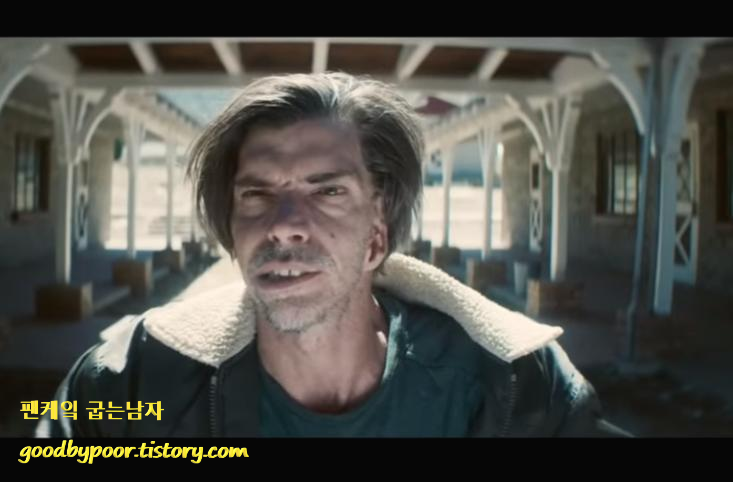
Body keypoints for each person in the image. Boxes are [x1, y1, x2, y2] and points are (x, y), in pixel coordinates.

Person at [38, 72, 627, 437]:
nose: (284, 226)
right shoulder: (135, 384)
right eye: (256, 194)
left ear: (378, 233)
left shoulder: (519, 386)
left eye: (328, 193)